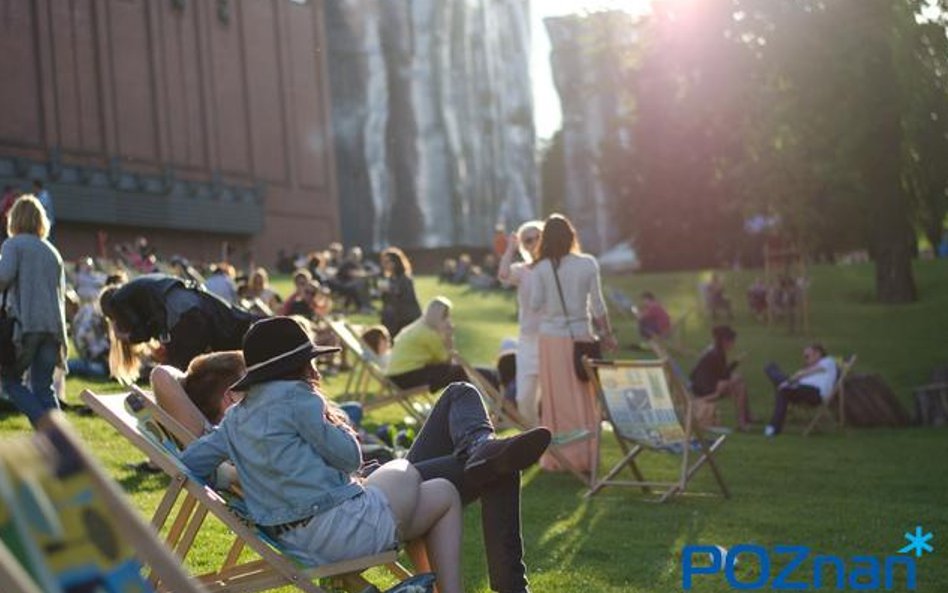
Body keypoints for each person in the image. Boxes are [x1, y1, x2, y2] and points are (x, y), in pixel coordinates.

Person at [529, 213, 617, 475]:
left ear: (545, 240)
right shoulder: (588, 263)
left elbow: (535, 304)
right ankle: (586, 455)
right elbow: (598, 305)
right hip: (582, 335)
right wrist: (608, 334)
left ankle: (560, 457)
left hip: (551, 339)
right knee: (583, 396)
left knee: (557, 399)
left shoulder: (541, 268)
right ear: (571, 237)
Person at [98, 273, 261, 384]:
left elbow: (141, 332)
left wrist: (124, 336)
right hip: (198, 308)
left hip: (185, 318)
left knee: (176, 376)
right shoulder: (138, 287)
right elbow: (155, 319)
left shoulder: (117, 301)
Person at [0, 195, 67, 426]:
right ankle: (62, 439)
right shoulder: (52, 251)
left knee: (10, 381)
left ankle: (48, 429)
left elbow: (3, 277)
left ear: (14, 218)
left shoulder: (13, 245)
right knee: (44, 387)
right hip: (52, 327)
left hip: (25, 325)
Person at [387, 298, 497, 393]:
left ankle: (471, 401)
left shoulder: (419, 327)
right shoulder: (428, 333)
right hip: (405, 378)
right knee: (458, 372)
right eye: (446, 317)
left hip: (398, 376)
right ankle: (472, 402)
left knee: (457, 371)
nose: (448, 320)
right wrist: (449, 337)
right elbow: (445, 360)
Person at [497, 220, 544, 426]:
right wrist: (510, 248)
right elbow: (503, 275)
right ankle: (537, 436)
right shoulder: (522, 270)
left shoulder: (555, 268)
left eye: (537, 237)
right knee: (524, 398)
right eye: (528, 240)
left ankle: (554, 439)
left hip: (552, 338)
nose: (533, 243)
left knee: (551, 397)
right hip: (527, 341)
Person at [763, 343, 838, 437]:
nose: (806, 359)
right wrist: (794, 379)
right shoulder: (808, 368)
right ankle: (774, 428)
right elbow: (798, 378)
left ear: (818, 353)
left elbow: (807, 373)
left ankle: (773, 427)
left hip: (815, 393)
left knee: (783, 389)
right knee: (771, 367)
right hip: (799, 388)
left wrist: (798, 375)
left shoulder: (828, 361)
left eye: (807, 356)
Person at [688, 325, 753, 431]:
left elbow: (721, 373)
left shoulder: (715, 351)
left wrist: (736, 363)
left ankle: (746, 417)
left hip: (705, 385)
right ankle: (742, 422)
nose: (733, 344)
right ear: (725, 341)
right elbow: (724, 375)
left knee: (738, 380)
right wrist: (736, 363)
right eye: (732, 341)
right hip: (704, 390)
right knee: (739, 386)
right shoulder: (716, 354)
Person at [379, 247, 422, 339]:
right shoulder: (389, 279)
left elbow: (407, 299)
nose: (384, 265)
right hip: (394, 318)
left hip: (407, 318)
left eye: (387, 262)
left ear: (396, 262)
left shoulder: (405, 279)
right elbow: (386, 300)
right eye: (383, 262)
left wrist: (391, 290)